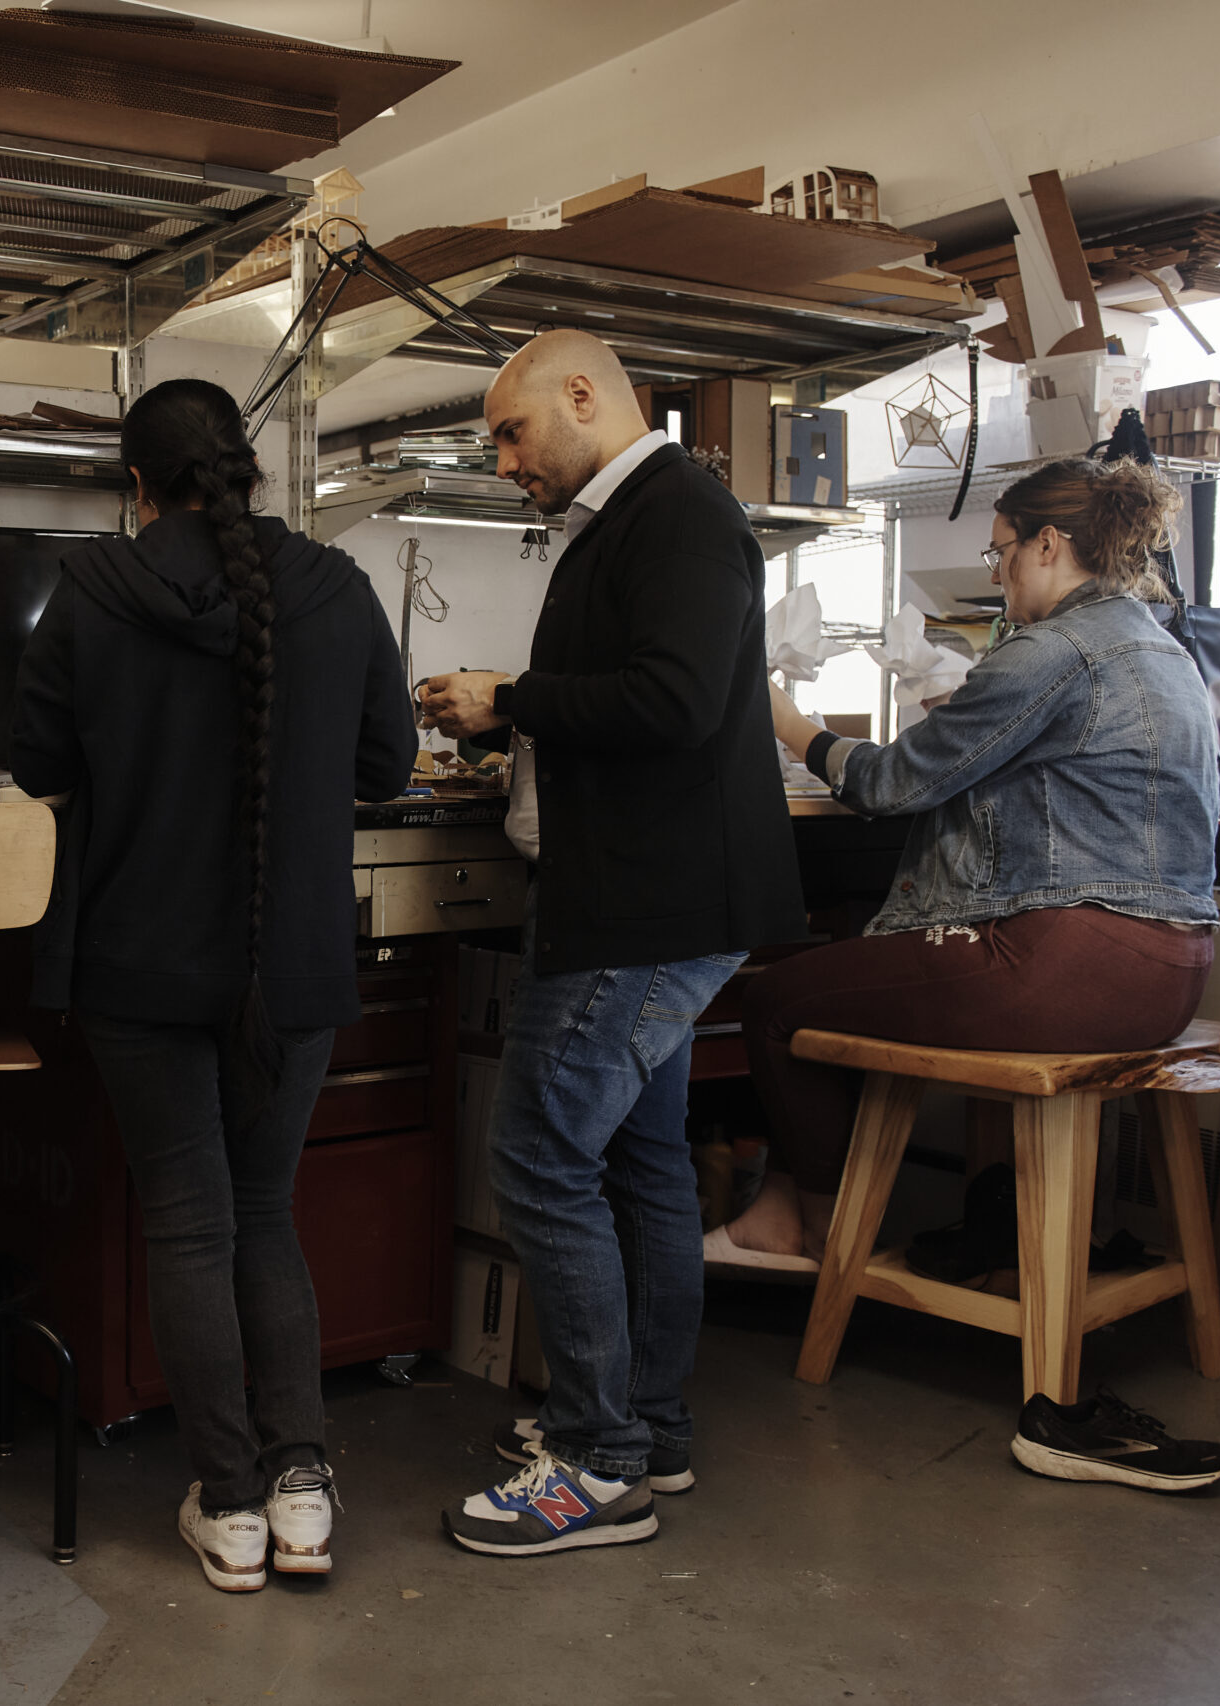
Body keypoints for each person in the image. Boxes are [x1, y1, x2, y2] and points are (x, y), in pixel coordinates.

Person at [9, 378, 416, 1592]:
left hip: (139, 965)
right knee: (262, 1212)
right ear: (247, 470)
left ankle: (229, 1504)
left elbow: (35, 763)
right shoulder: (336, 588)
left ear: (137, 484)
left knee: (188, 1220)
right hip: (286, 963)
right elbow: (388, 764)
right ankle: (302, 1489)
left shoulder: (90, 592)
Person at [419, 329, 805, 1556]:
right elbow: (643, 699)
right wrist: (506, 722)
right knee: (641, 1163)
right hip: (643, 894)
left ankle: (595, 1465)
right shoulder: (629, 519)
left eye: (512, 431)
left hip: (647, 909)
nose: (503, 460)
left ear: (583, 395)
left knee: (536, 1154)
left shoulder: (677, 511)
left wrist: (511, 698)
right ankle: (650, 1428)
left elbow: (677, 699)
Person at [706, 457, 1219, 1273]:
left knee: (776, 1001)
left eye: (1001, 551)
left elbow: (887, 783)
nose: (999, 572)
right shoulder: (1166, 653)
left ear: (1048, 544)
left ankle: (803, 1225)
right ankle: (795, 1209)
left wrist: (784, 719)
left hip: (1071, 969)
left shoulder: (1052, 651)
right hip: (1173, 975)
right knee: (856, 988)